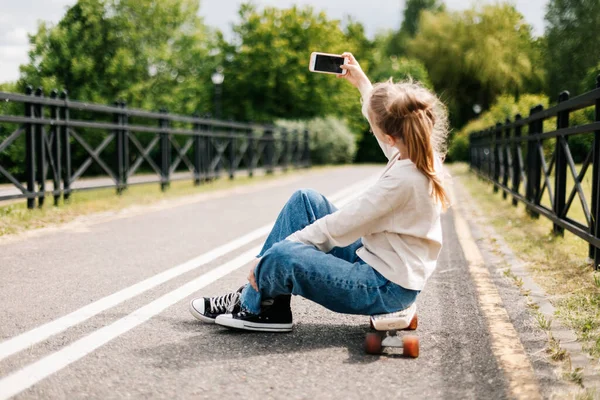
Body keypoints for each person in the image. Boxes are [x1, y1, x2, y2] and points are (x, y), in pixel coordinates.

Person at [189, 52, 450, 332]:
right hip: (380, 262)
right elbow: (385, 124)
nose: (372, 131)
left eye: (373, 127)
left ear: (389, 136)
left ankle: (253, 304)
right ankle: (265, 302)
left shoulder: (403, 181)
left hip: (384, 287)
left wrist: (269, 258)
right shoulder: (418, 153)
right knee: (305, 201)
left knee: (282, 256)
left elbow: (340, 226)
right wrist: (363, 84)